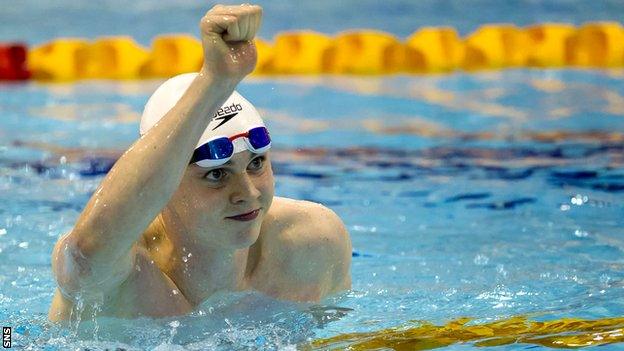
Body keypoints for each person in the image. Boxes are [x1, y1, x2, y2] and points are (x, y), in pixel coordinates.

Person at [48, 4, 351, 321]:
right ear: (164, 184)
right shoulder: (122, 276)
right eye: (217, 174)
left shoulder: (313, 245)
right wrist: (216, 80)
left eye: (256, 164)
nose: (247, 192)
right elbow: (85, 255)